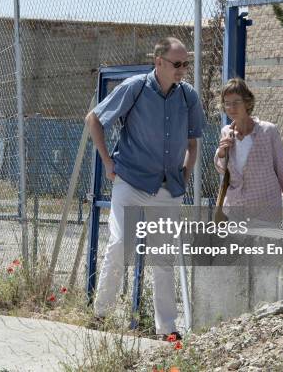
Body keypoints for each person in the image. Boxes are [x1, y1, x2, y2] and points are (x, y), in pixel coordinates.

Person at [85, 37, 205, 340]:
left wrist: (186, 174)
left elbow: (193, 142)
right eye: (177, 64)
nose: (182, 70)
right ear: (159, 62)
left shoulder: (188, 96)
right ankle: (100, 315)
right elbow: (94, 119)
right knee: (121, 244)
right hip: (131, 181)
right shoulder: (135, 87)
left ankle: (167, 329)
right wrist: (107, 163)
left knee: (163, 257)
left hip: (168, 188)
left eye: (185, 64)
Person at [214, 78, 283, 223]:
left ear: (247, 102)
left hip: (266, 211)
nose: (231, 108)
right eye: (227, 103)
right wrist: (222, 152)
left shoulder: (268, 131)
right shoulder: (226, 131)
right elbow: (222, 169)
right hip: (236, 210)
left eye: (236, 102)